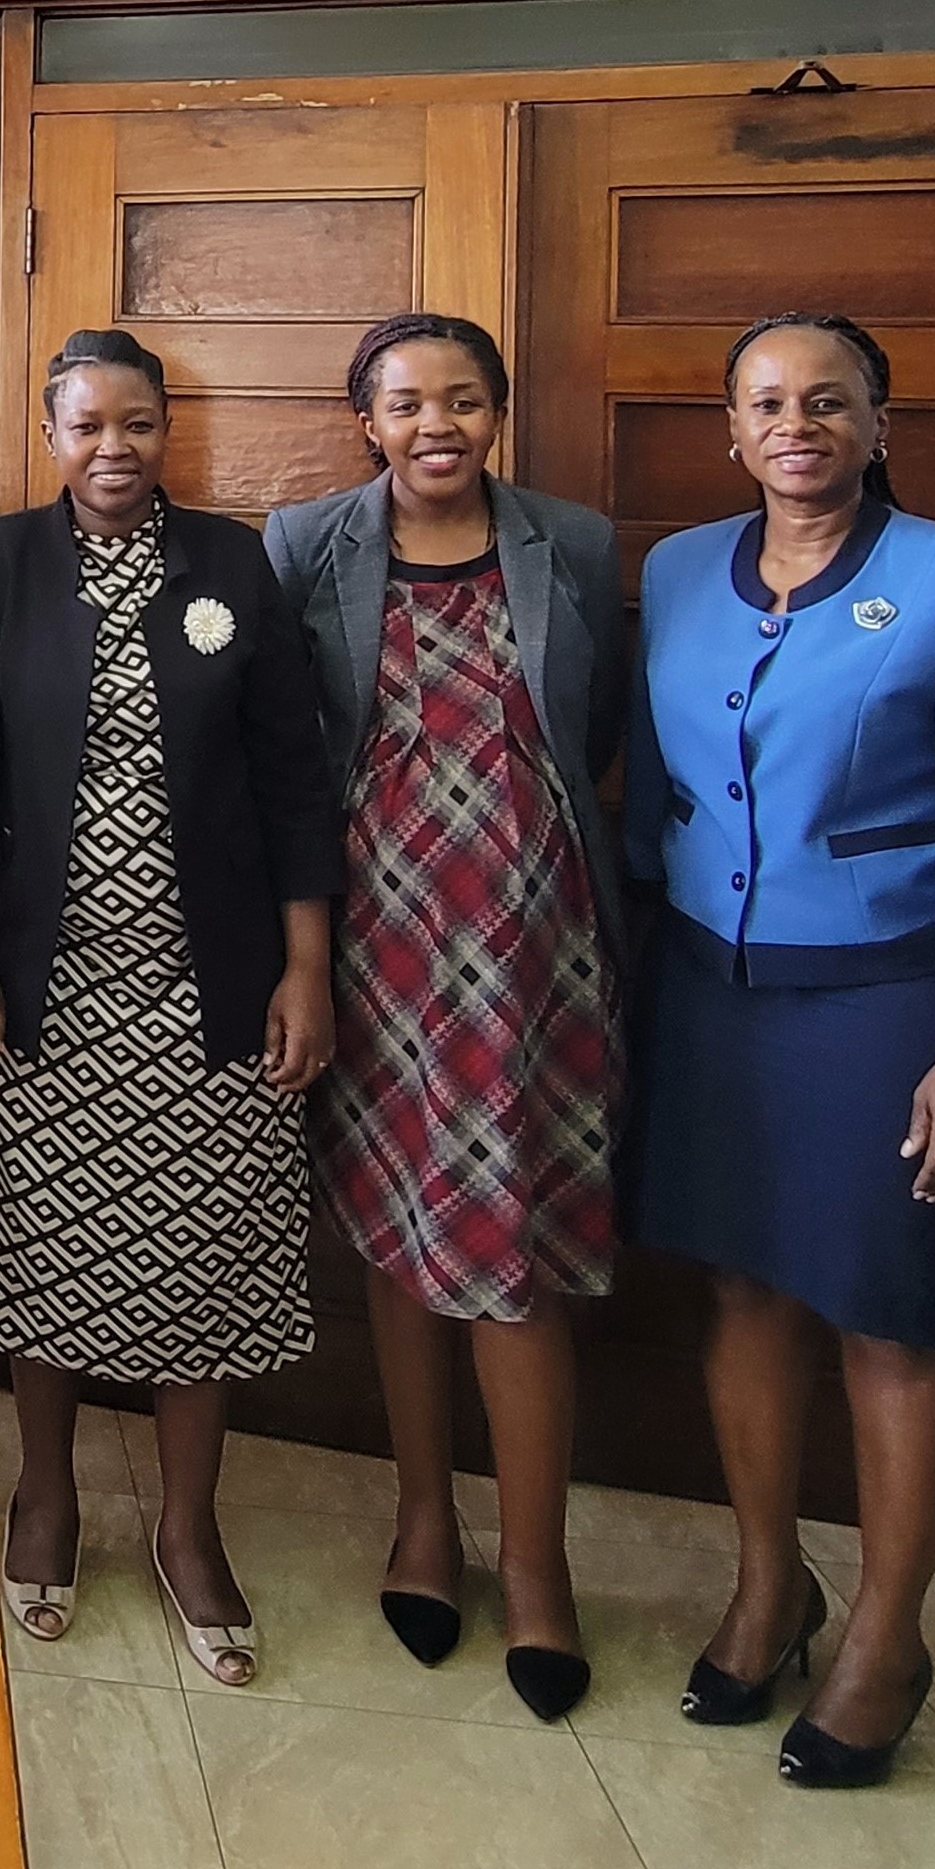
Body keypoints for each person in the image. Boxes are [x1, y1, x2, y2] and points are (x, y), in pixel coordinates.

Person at [625, 312, 935, 1786]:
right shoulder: (675, 570)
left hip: (896, 1001)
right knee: (742, 1288)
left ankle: (886, 1635)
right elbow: (647, 792)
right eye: (767, 403)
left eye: (829, 400)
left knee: (894, 1314)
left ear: (877, 418)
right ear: (730, 428)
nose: (797, 424)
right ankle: (765, 1581)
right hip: (713, 994)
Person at [0, 328, 341, 1690]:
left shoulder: (233, 563)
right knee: (45, 1248)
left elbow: (292, 778)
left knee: (204, 1255)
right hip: (45, 981)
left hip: (207, 980)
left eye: (140, 425)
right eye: (89, 426)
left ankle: (186, 1524)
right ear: (51, 435)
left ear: (170, 433)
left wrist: (304, 965)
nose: (115, 450)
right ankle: (43, 1492)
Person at [265, 312, 624, 1720]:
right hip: (372, 945)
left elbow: (603, 742)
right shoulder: (307, 546)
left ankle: (538, 1564)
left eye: (463, 400)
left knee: (514, 1249)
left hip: (536, 954)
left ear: (497, 413)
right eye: (407, 402)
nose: (436, 425)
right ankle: (426, 1522)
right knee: (401, 1237)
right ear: (366, 419)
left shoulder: (574, 543)